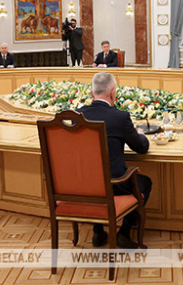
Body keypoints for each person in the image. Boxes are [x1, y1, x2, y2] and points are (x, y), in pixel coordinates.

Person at [76, 72, 151, 249]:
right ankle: (124, 233)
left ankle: (98, 231)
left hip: (82, 185)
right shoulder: (120, 117)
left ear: (92, 93)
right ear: (113, 93)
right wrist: (140, 134)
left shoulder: (77, 116)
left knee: (95, 177)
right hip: (114, 185)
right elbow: (141, 147)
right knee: (145, 183)